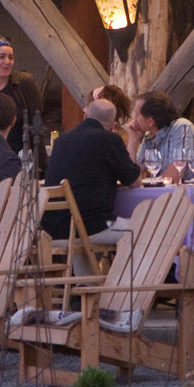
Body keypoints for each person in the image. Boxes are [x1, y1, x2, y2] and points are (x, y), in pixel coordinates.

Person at [41, 99, 141, 272]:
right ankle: (127, 287)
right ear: (112, 123)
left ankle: (86, 290)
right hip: (88, 228)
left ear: (86, 115)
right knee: (148, 228)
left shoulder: (61, 141)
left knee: (84, 225)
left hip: (54, 229)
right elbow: (134, 181)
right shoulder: (108, 139)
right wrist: (133, 139)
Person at [128, 90, 194, 181]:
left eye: (137, 114)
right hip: (172, 192)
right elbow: (131, 175)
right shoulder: (149, 136)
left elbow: (175, 175)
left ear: (150, 121)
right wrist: (133, 140)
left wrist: (149, 182)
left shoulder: (181, 127)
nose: (134, 119)